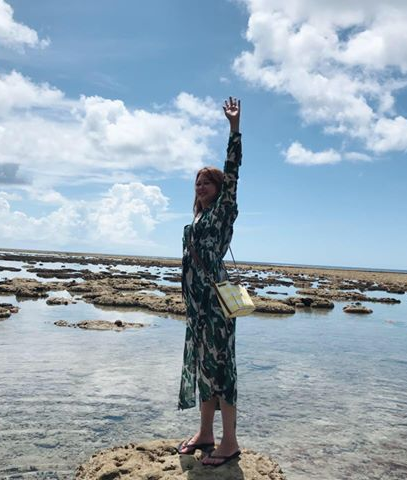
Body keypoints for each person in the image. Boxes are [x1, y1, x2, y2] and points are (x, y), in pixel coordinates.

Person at [177, 97, 242, 467]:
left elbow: (233, 171)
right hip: (198, 308)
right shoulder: (198, 220)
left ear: (219, 187)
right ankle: (205, 433)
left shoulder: (223, 210)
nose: (200, 186)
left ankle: (229, 442)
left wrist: (234, 129)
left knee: (222, 371)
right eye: (197, 182)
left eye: (207, 182)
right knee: (204, 369)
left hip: (217, 305)